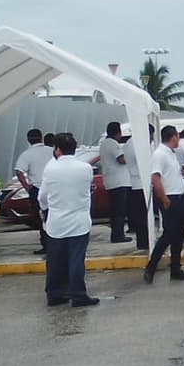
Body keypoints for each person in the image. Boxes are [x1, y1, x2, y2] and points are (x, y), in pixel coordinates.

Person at [39, 133, 99, 307]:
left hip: (56, 222)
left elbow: (42, 196)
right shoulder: (85, 168)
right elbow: (87, 190)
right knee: (76, 260)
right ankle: (78, 295)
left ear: (57, 150)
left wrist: (45, 210)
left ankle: (54, 294)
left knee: (55, 260)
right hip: (79, 220)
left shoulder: (50, 169)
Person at [144, 126, 184, 283]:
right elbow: (156, 178)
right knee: (169, 234)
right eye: (177, 137)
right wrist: (164, 199)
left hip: (179, 196)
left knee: (179, 235)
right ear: (173, 137)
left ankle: (176, 268)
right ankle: (151, 267)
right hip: (170, 198)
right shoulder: (160, 154)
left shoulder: (170, 154)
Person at [14, 128, 54, 255]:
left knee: (41, 218)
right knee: (55, 215)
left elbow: (19, 171)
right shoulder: (51, 151)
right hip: (53, 188)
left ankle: (47, 244)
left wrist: (26, 186)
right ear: (41, 137)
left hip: (37, 190)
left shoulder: (26, 154)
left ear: (28, 140)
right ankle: (57, 243)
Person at [99, 122, 131, 243]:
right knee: (119, 211)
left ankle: (117, 234)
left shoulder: (104, 144)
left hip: (112, 181)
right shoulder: (113, 144)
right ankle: (118, 235)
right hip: (119, 182)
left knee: (116, 211)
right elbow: (121, 159)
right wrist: (132, 157)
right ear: (119, 133)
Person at [124, 129, 149, 250]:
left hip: (136, 182)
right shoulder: (137, 144)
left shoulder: (130, 143)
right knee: (143, 217)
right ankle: (144, 242)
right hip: (139, 183)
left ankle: (144, 241)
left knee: (142, 216)